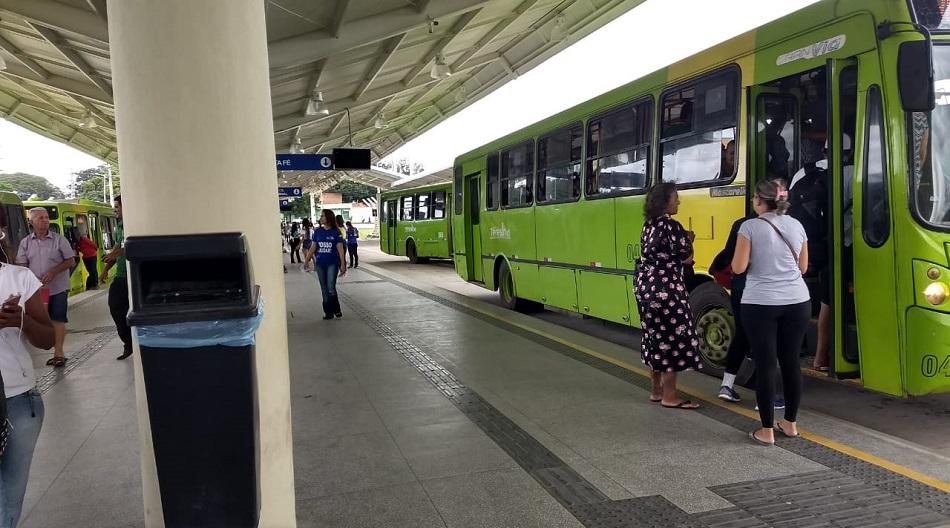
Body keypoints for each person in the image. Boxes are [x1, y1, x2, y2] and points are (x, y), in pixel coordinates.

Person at [731, 180, 810, 445]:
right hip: (798, 301)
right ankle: (790, 424)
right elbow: (803, 267)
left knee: (766, 365)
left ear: (758, 200)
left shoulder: (750, 227)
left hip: (760, 303)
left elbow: (739, 267)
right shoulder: (797, 225)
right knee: (791, 363)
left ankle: (766, 431)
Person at [0, 205, 56, 528]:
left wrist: (19, 319)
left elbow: (48, 338)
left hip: (18, 403)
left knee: (7, 502)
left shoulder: (19, 279)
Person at [634, 182, 701, 409]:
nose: (678, 201)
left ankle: (656, 391)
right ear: (665, 202)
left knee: (653, 339)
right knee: (671, 341)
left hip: (646, 289)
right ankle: (670, 397)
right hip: (667, 290)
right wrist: (689, 240)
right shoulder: (671, 226)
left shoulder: (648, 225)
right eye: (675, 198)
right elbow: (687, 259)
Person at [17, 207, 75, 368]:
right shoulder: (25, 243)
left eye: (47, 217)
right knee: (40, 320)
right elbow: (21, 265)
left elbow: (70, 261)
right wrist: (31, 278)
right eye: (41, 218)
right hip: (36, 291)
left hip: (58, 287)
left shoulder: (59, 240)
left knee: (58, 319)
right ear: (31, 222)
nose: (45, 220)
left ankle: (58, 353)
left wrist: (54, 271)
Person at [100, 196, 133, 361]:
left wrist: (115, 253)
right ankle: (128, 341)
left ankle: (133, 342)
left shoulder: (134, 224)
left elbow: (131, 246)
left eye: (117, 207)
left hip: (132, 274)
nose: (115, 210)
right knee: (116, 307)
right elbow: (118, 246)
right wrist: (106, 269)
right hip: (120, 275)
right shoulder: (120, 225)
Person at [304, 209, 346, 320]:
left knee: (331, 288)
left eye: (323, 216)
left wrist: (343, 264)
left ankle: (336, 309)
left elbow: (340, 249)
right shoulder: (318, 232)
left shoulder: (336, 232)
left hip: (332, 263)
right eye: (321, 216)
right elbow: (313, 247)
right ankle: (328, 312)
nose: (321, 218)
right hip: (320, 264)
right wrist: (307, 260)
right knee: (324, 289)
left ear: (328, 218)